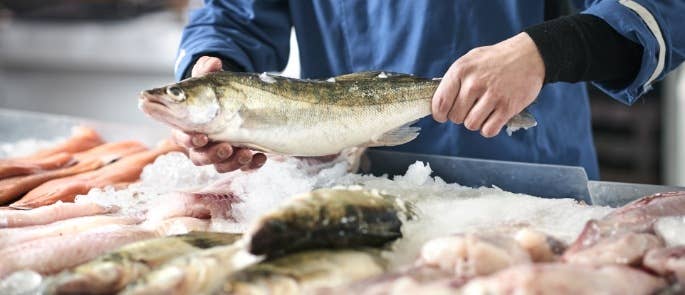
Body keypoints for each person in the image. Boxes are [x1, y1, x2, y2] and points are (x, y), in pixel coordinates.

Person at [172, 1, 684, 179]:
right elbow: (235, 14)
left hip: (527, 177)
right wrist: (216, 72)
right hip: (355, 179)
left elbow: (665, 9)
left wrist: (549, 50)